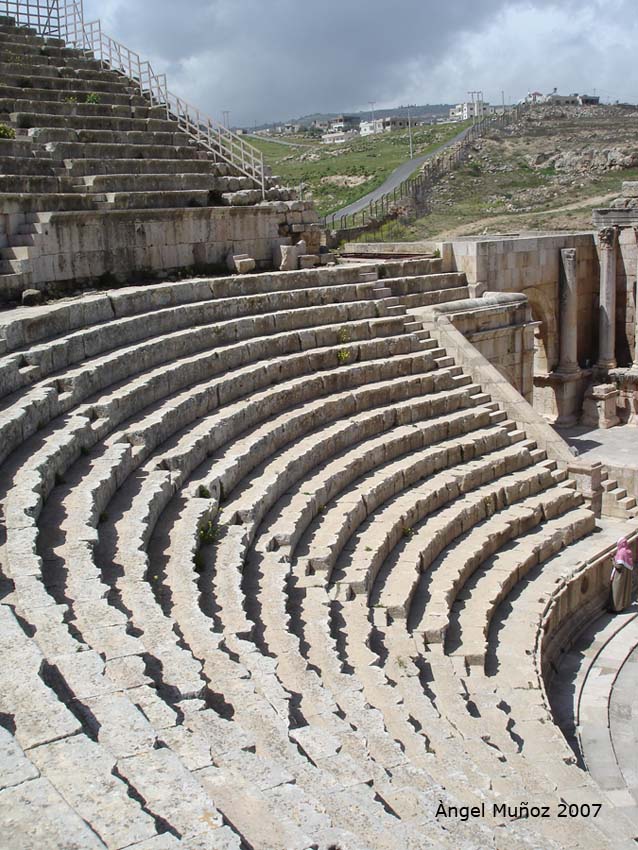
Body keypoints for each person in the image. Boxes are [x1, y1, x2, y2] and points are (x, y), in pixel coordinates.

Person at [610, 537, 634, 613]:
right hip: (626, 575)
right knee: (624, 591)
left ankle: (616, 609)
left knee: (617, 592)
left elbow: (619, 566)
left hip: (619, 577)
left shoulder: (621, 553)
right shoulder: (628, 551)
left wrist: (612, 560)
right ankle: (622, 606)